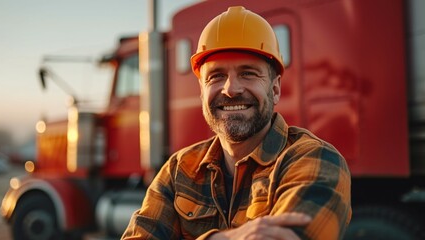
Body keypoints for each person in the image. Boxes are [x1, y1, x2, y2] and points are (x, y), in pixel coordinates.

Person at [122, 6, 351, 240]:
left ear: (275, 88)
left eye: (248, 73)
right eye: (216, 76)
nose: (231, 89)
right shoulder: (178, 170)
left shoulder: (314, 159)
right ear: (202, 92)